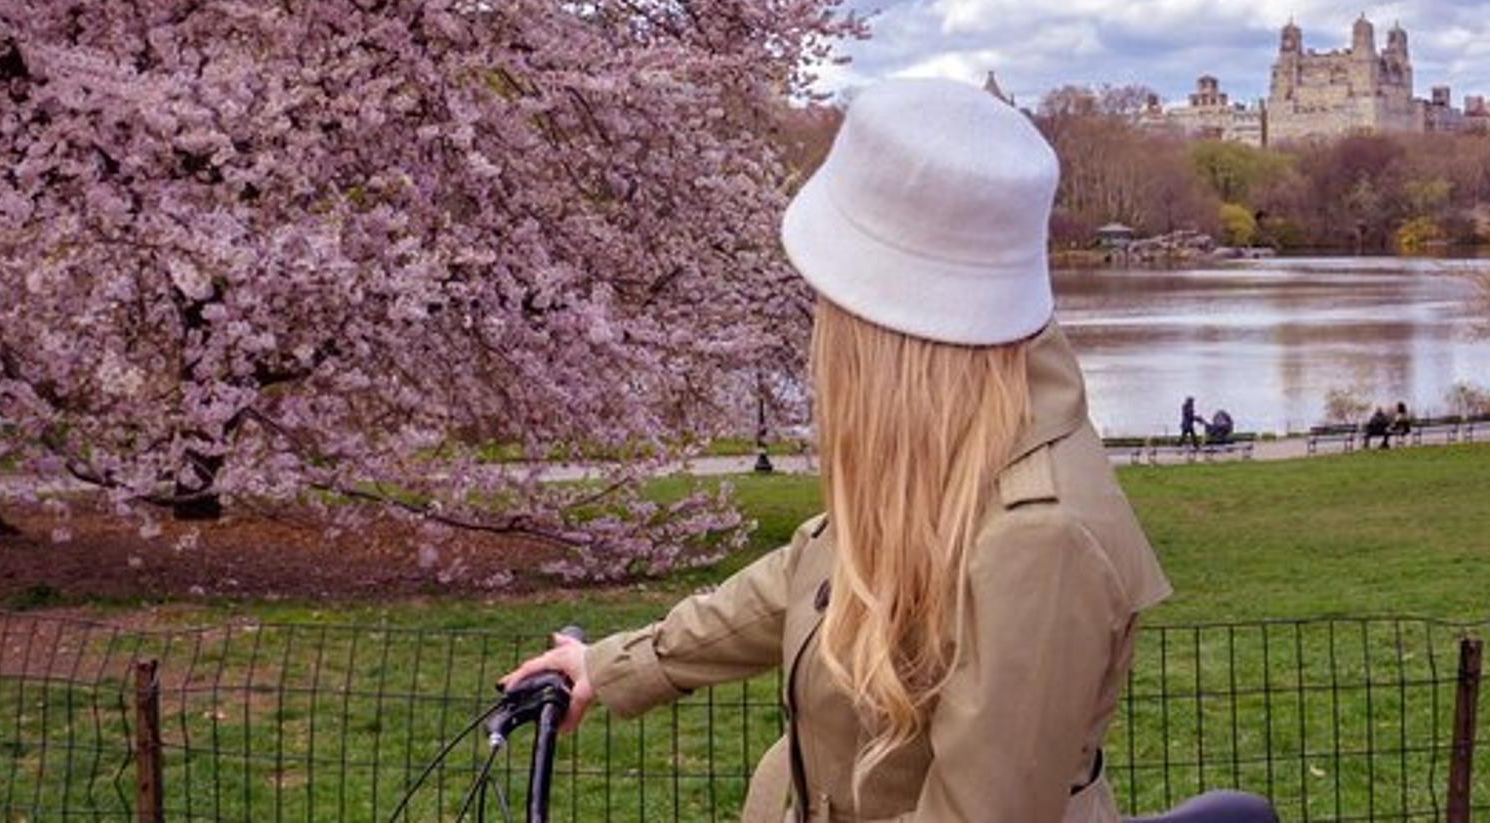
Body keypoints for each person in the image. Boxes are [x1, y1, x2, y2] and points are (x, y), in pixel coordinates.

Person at [500, 78, 1171, 822]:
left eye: (830, 298)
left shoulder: (1041, 538)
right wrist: (613, 666)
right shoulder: (949, 448)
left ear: (883, 326)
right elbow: (813, 571)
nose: (820, 327)